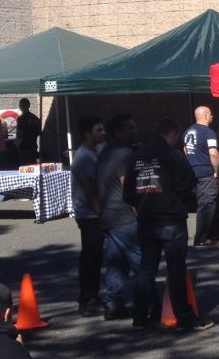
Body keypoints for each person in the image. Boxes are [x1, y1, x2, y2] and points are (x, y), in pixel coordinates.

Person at [124, 117, 210, 332]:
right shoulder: (172, 156)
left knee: (147, 268)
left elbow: (128, 193)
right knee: (176, 269)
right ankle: (184, 317)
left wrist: (141, 206)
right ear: (172, 134)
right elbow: (187, 184)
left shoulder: (136, 157)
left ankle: (140, 315)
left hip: (146, 219)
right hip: (171, 218)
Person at [96, 113, 140, 321]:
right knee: (141, 262)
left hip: (109, 214)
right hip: (124, 217)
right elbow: (127, 186)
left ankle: (114, 303)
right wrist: (138, 212)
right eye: (129, 128)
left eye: (133, 127)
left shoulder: (106, 151)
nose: (134, 131)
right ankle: (149, 304)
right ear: (117, 132)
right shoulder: (123, 153)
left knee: (116, 262)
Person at [70, 114, 107, 316]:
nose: (103, 133)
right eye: (98, 130)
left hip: (92, 213)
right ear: (87, 134)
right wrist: (102, 214)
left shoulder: (95, 152)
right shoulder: (84, 157)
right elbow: (90, 191)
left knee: (95, 255)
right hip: (89, 214)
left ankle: (91, 295)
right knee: (91, 257)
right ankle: (88, 298)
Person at [183, 106, 219, 247]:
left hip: (193, 171)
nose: (212, 116)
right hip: (206, 172)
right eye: (210, 114)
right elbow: (213, 153)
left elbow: (186, 149)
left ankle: (211, 234)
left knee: (203, 202)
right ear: (205, 115)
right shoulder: (208, 132)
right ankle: (200, 239)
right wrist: (216, 170)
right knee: (207, 204)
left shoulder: (188, 131)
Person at [14, 98, 41, 166]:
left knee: (25, 168)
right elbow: (39, 132)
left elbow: (20, 135)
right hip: (33, 146)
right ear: (29, 105)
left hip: (24, 148)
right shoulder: (35, 118)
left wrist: (16, 146)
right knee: (33, 166)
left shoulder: (21, 119)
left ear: (20, 106)